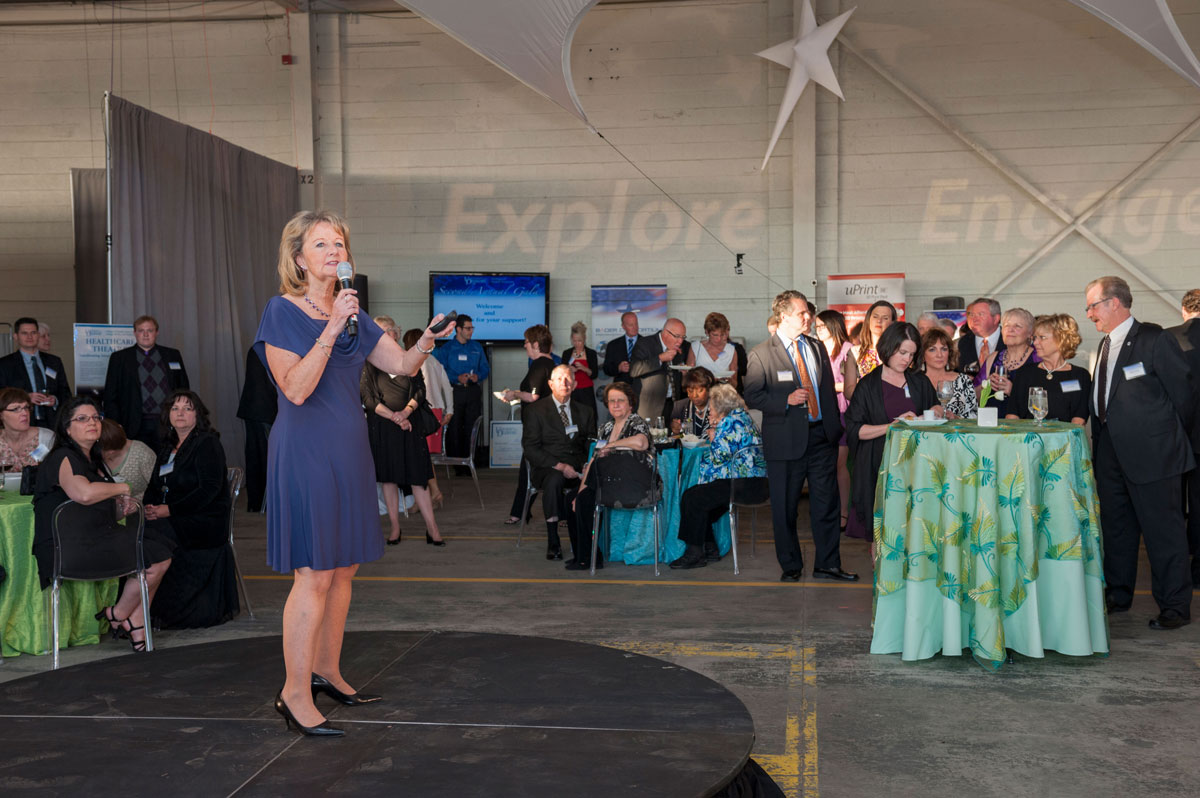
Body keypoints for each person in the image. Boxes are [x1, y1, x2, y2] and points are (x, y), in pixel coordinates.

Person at [254, 209, 454, 736]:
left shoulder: (355, 313)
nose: (333, 252)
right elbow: (294, 388)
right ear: (298, 258)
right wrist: (334, 325)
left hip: (349, 448)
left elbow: (404, 367)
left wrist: (428, 338)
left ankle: (326, 672)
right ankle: (293, 693)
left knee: (344, 570)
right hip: (305, 449)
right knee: (315, 572)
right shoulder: (282, 311)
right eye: (321, 245)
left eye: (338, 243)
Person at [1085, 276, 1194, 630]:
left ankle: (1174, 607)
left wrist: (1167, 440)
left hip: (1155, 455)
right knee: (1117, 529)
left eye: (1093, 305)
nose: (1089, 314)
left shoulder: (1154, 338)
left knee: (1163, 532)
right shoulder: (1104, 345)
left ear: (1115, 302)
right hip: (1111, 454)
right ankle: (1118, 593)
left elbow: (1185, 396)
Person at [32, 396, 174, 653]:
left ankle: (125, 616)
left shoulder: (93, 460)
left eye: (96, 417)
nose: (92, 423)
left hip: (92, 537)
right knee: (156, 558)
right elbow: (83, 494)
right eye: (82, 419)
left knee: (161, 548)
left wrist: (122, 505)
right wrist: (122, 487)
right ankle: (125, 618)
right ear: (67, 428)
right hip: (69, 547)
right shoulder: (63, 457)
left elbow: (100, 506)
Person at [745, 290, 855, 582]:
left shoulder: (817, 347)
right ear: (784, 316)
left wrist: (834, 429)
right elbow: (752, 395)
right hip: (785, 441)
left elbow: (828, 392)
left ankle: (828, 564)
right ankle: (791, 565)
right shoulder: (761, 353)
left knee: (827, 504)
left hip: (821, 437)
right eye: (801, 313)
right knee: (785, 507)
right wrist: (784, 401)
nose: (809, 317)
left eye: (809, 312)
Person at [144, 390, 237, 629]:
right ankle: (140, 610)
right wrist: (149, 507)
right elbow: (155, 484)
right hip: (173, 514)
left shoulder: (207, 443)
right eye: (175, 409)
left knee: (156, 537)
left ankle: (152, 613)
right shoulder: (167, 446)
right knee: (140, 530)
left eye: (187, 408)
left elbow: (209, 490)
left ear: (198, 414)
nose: (180, 413)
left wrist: (170, 510)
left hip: (204, 519)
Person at [845, 323, 941, 541]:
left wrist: (935, 411)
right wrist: (892, 427)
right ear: (888, 349)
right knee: (881, 527)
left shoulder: (919, 380)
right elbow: (855, 430)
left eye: (912, 354)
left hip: (916, 464)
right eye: (902, 352)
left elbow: (934, 406)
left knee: (915, 525)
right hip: (879, 465)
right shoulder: (868, 386)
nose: (907, 359)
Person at [361, 320, 445, 548]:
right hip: (384, 429)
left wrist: (406, 412)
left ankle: (432, 528)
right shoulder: (368, 363)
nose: (391, 335)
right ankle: (395, 527)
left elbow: (420, 390)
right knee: (388, 479)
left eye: (392, 331)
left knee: (419, 478)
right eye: (384, 332)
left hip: (411, 425)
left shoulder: (408, 357)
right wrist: (395, 417)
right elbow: (368, 399)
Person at [669, 384, 766, 569]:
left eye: (712, 407)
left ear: (721, 407)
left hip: (742, 484)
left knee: (691, 498)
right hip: (757, 483)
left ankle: (694, 553)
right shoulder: (743, 418)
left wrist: (714, 438)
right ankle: (710, 548)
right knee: (700, 502)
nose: (709, 412)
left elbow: (719, 458)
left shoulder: (728, 423)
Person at [570, 381, 650, 571]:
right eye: (611, 401)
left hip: (630, 483)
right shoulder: (605, 427)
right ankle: (581, 554)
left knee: (584, 501)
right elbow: (593, 460)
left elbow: (641, 443)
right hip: (606, 481)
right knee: (572, 498)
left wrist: (612, 446)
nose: (615, 405)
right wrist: (580, 490)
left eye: (620, 401)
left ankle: (590, 557)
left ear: (630, 403)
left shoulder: (637, 422)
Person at [520, 364, 596, 561]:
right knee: (554, 481)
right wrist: (560, 466)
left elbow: (590, 441)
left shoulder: (585, 411)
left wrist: (590, 462)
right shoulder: (535, 410)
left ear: (576, 384)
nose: (565, 382)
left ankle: (589, 540)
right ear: (550, 384)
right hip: (548, 467)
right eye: (560, 378)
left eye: (569, 378)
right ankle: (553, 541)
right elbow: (530, 448)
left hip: (578, 465)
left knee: (596, 478)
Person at [103, 315, 190, 450]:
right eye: (141, 330)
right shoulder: (119, 359)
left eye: (149, 330)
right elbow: (110, 396)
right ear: (134, 333)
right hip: (134, 424)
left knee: (166, 463)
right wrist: (115, 424)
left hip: (166, 422)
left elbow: (184, 389)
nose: (145, 335)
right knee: (137, 464)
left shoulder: (172, 355)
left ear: (157, 333)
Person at [502, 324, 557, 525]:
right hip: (549, 425)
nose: (524, 345)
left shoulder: (538, 364)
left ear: (535, 344)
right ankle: (522, 510)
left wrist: (513, 394)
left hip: (537, 428)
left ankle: (519, 512)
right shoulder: (553, 364)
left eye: (526, 342)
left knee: (528, 468)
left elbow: (533, 396)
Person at [813, 310, 860, 529]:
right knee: (828, 465)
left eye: (822, 325)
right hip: (823, 413)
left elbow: (856, 383)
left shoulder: (848, 350)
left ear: (834, 325)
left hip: (844, 412)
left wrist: (827, 389)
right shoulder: (817, 349)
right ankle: (832, 510)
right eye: (817, 326)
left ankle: (844, 512)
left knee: (840, 463)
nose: (819, 330)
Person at [1006, 314, 1090, 425]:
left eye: (1042, 337)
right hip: (1027, 439)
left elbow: (1079, 419)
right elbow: (1012, 415)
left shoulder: (1080, 375)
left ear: (1061, 339)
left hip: (1064, 439)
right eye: (1035, 338)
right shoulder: (1025, 373)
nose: (1035, 343)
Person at [1169, 289, 1200, 587]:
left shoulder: (1167, 338)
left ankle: (1176, 566)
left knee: (1172, 504)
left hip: (1174, 434)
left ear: (1182, 310)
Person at [432, 313, 489, 471]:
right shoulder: (447, 349)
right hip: (454, 391)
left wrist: (478, 376)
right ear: (458, 329)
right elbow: (440, 371)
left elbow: (485, 368)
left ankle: (470, 463)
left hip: (472, 392)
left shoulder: (476, 347)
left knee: (472, 426)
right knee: (455, 427)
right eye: (468, 328)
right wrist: (456, 377)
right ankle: (456, 465)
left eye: (472, 328)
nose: (471, 331)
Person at [0, 317, 72, 429]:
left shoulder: (54, 362)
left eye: (33, 332)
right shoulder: (4, 364)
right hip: (21, 424)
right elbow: (2, 395)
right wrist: (25, 398)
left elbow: (65, 392)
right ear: (15, 337)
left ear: (38, 335)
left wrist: (55, 400)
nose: (29, 337)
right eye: (24, 333)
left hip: (52, 424)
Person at [236, 345, 278, 513]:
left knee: (257, 459)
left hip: (257, 410)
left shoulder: (258, 346)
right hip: (265, 411)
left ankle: (258, 504)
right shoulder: (269, 346)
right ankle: (264, 505)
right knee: (264, 460)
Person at [414, 327, 453, 502]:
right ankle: (430, 494)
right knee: (424, 455)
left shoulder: (419, 362)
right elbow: (448, 387)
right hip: (437, 411)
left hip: (423, 411)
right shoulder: (435, 361)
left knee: (421, 456)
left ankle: (432, 493)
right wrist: (449, 409)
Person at [980, 307, 1039, 414]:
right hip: (992, 422)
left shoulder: (1037, 358)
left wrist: (1013, 391)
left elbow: (1044, 400)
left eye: (1017, 326)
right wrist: (986, 384)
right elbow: (974, 395)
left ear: (1030, 333)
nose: (1010, 330)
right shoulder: (993, 357)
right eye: (1006, 325)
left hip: (1023, 424)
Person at [629, 317, 688, 423]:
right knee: (650, 437)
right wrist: (660, 358)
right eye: (677, 336)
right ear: (665, 333)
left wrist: (685, 373)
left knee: (671, 437)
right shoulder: (645, 343)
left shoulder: (681, 348)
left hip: (672, 405)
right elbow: (634, 370)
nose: (680, 341)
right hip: (650, 406)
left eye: (683, 337)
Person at [918, 327, 977, 419]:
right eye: (932, 349)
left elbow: (974, 417)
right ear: (922, 355)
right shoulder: (915, 381)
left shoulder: (963, 380)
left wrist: (955, 417)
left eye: (944, 349)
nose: (939, 355)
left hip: (956, 432)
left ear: (949, 353)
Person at [98, 418, 156, 501]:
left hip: (139, 508)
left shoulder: (142, 453)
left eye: (113, 451)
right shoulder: (93, 455)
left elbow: (156, 488)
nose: (110, 453)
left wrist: (137, 502)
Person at [0, 387, 55, 471]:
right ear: (1, 415)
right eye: (15, 409)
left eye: (26, 407)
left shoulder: (47, 438)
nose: (24, 413)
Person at [957, 297, 1004, 379]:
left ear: (996, 319)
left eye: (980, 314)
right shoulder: (962, 343)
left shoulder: (1010, 341)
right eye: (971, 315)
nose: (974, 319)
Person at [687, 312, 738, 384]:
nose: (719, 339)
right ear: (707, 332)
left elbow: (735, 382)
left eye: (722, 335)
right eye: (715, 335)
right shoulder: (696, 348)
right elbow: (688, 378)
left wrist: (728, 380)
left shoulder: (731, 350)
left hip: (722, 393)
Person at [562, 321, 599, 414]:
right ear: (571, 339)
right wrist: (569, 370)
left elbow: (594, 374)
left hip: (586, 392)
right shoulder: (566, 353)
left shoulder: (591, 353)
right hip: (571, 391)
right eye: (574, 341)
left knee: (588, 416)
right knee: (572, 416)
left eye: (580, 341)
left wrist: (584, 369)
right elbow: (561, 373)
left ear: (585, 338)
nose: (577, 344)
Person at [851, 301, 896, 377]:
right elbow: (850, 387)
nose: (879, 321)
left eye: (885, 318)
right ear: (868, 319)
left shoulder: (899, 352)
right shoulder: (855, 352)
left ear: (892, 323)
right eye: (875, 316)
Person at [670, 366, 715, 438]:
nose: (695, 395)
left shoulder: (718, 407)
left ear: (708, 389)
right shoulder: (679, 407)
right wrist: (675, 432)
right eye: (690, 391)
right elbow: (677, 438)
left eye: (700, 391)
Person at [602, 311, 640, 379]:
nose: (635, 327)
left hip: (642, 387)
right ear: (623, 326)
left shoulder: (647, 343)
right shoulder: (613, 345)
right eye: (631, 325)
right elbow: (606, 369)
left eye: (636, 324)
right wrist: (618, 368)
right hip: (621, 387)